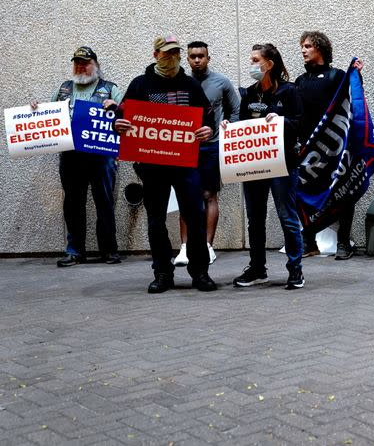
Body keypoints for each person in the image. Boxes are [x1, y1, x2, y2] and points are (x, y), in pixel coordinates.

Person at [114, 34, 216, 293]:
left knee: (195, 217)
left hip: (187, 165)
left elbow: (208, 119)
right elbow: (121, 117)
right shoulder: (140, 85)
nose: (171, 58)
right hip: (153, 165)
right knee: (156, 220)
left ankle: (200, 272)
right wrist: (119, 124)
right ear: (155, 55)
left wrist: (208, 129)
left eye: (175, 53)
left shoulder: (191, 86)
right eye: (166, 53)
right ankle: (162, 272)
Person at [34, 46, 123, 267]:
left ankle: (109, 250)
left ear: (96, 65)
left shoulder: (110, 89)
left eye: (85, 62)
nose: (81, 67)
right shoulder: (63, 89)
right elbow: (48, 117)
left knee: (104, 201)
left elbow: (127, 117)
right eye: (77, 63)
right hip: (71, 156)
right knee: (72, 203)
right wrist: (35, 111)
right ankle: (74, 251)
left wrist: (117, 108)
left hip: (102, 157)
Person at [231, 43, 305, 289]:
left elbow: (300, 124)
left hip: (283, 164)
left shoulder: (289, 91)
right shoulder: (249, 93)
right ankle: (257, 268)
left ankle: (295, 269)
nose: (252, 64)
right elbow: (241, 124)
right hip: (253, 164)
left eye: (255, 60)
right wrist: (229, 130)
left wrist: (281, 121)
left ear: (269, 64)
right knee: (255, 218)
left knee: (287, 217)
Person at [171, 41, 240, 267]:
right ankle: (184, 248)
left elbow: (236, 109)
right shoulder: (179, 83)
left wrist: (230, 127)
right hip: (184, 147)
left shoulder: (221, 82)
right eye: (192, 56)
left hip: (212, 146)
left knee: (209, 195)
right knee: (185, 197)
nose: (197, 60)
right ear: (187, 59)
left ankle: (208, 247)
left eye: (201, 56)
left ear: (208, 58)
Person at [295, 31, 361, 260]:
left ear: (320, 49)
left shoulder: (336, 76)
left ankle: (344, 241)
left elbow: (352, 102)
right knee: (304, 193)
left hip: (334, 146)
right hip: (308, 148)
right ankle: (309, 240)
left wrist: (356, 76)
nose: (303, 50)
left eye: (308, 46)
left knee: (343, 191)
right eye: (302, 46)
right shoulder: (300, 81)